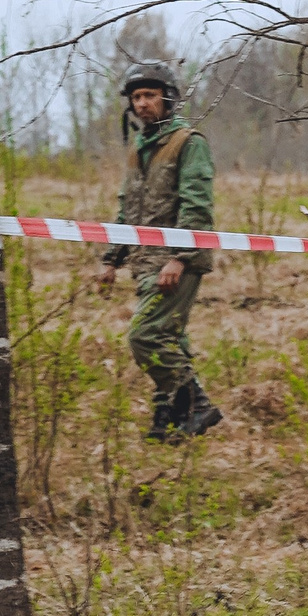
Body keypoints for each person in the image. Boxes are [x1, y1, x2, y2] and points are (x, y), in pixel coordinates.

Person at [96, 59, 223, 440]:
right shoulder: (138, 146)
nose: (142, 103)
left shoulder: (190, 143)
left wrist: (178, 258)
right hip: (144, 260)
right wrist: (111, 258)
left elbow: (196, 206)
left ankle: (197, 405)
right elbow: (127, 208)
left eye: (150, 95)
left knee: (145, 336)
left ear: (168, 98)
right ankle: (170, 417)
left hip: (176, 261)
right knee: (169, 337)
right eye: (136, 97)